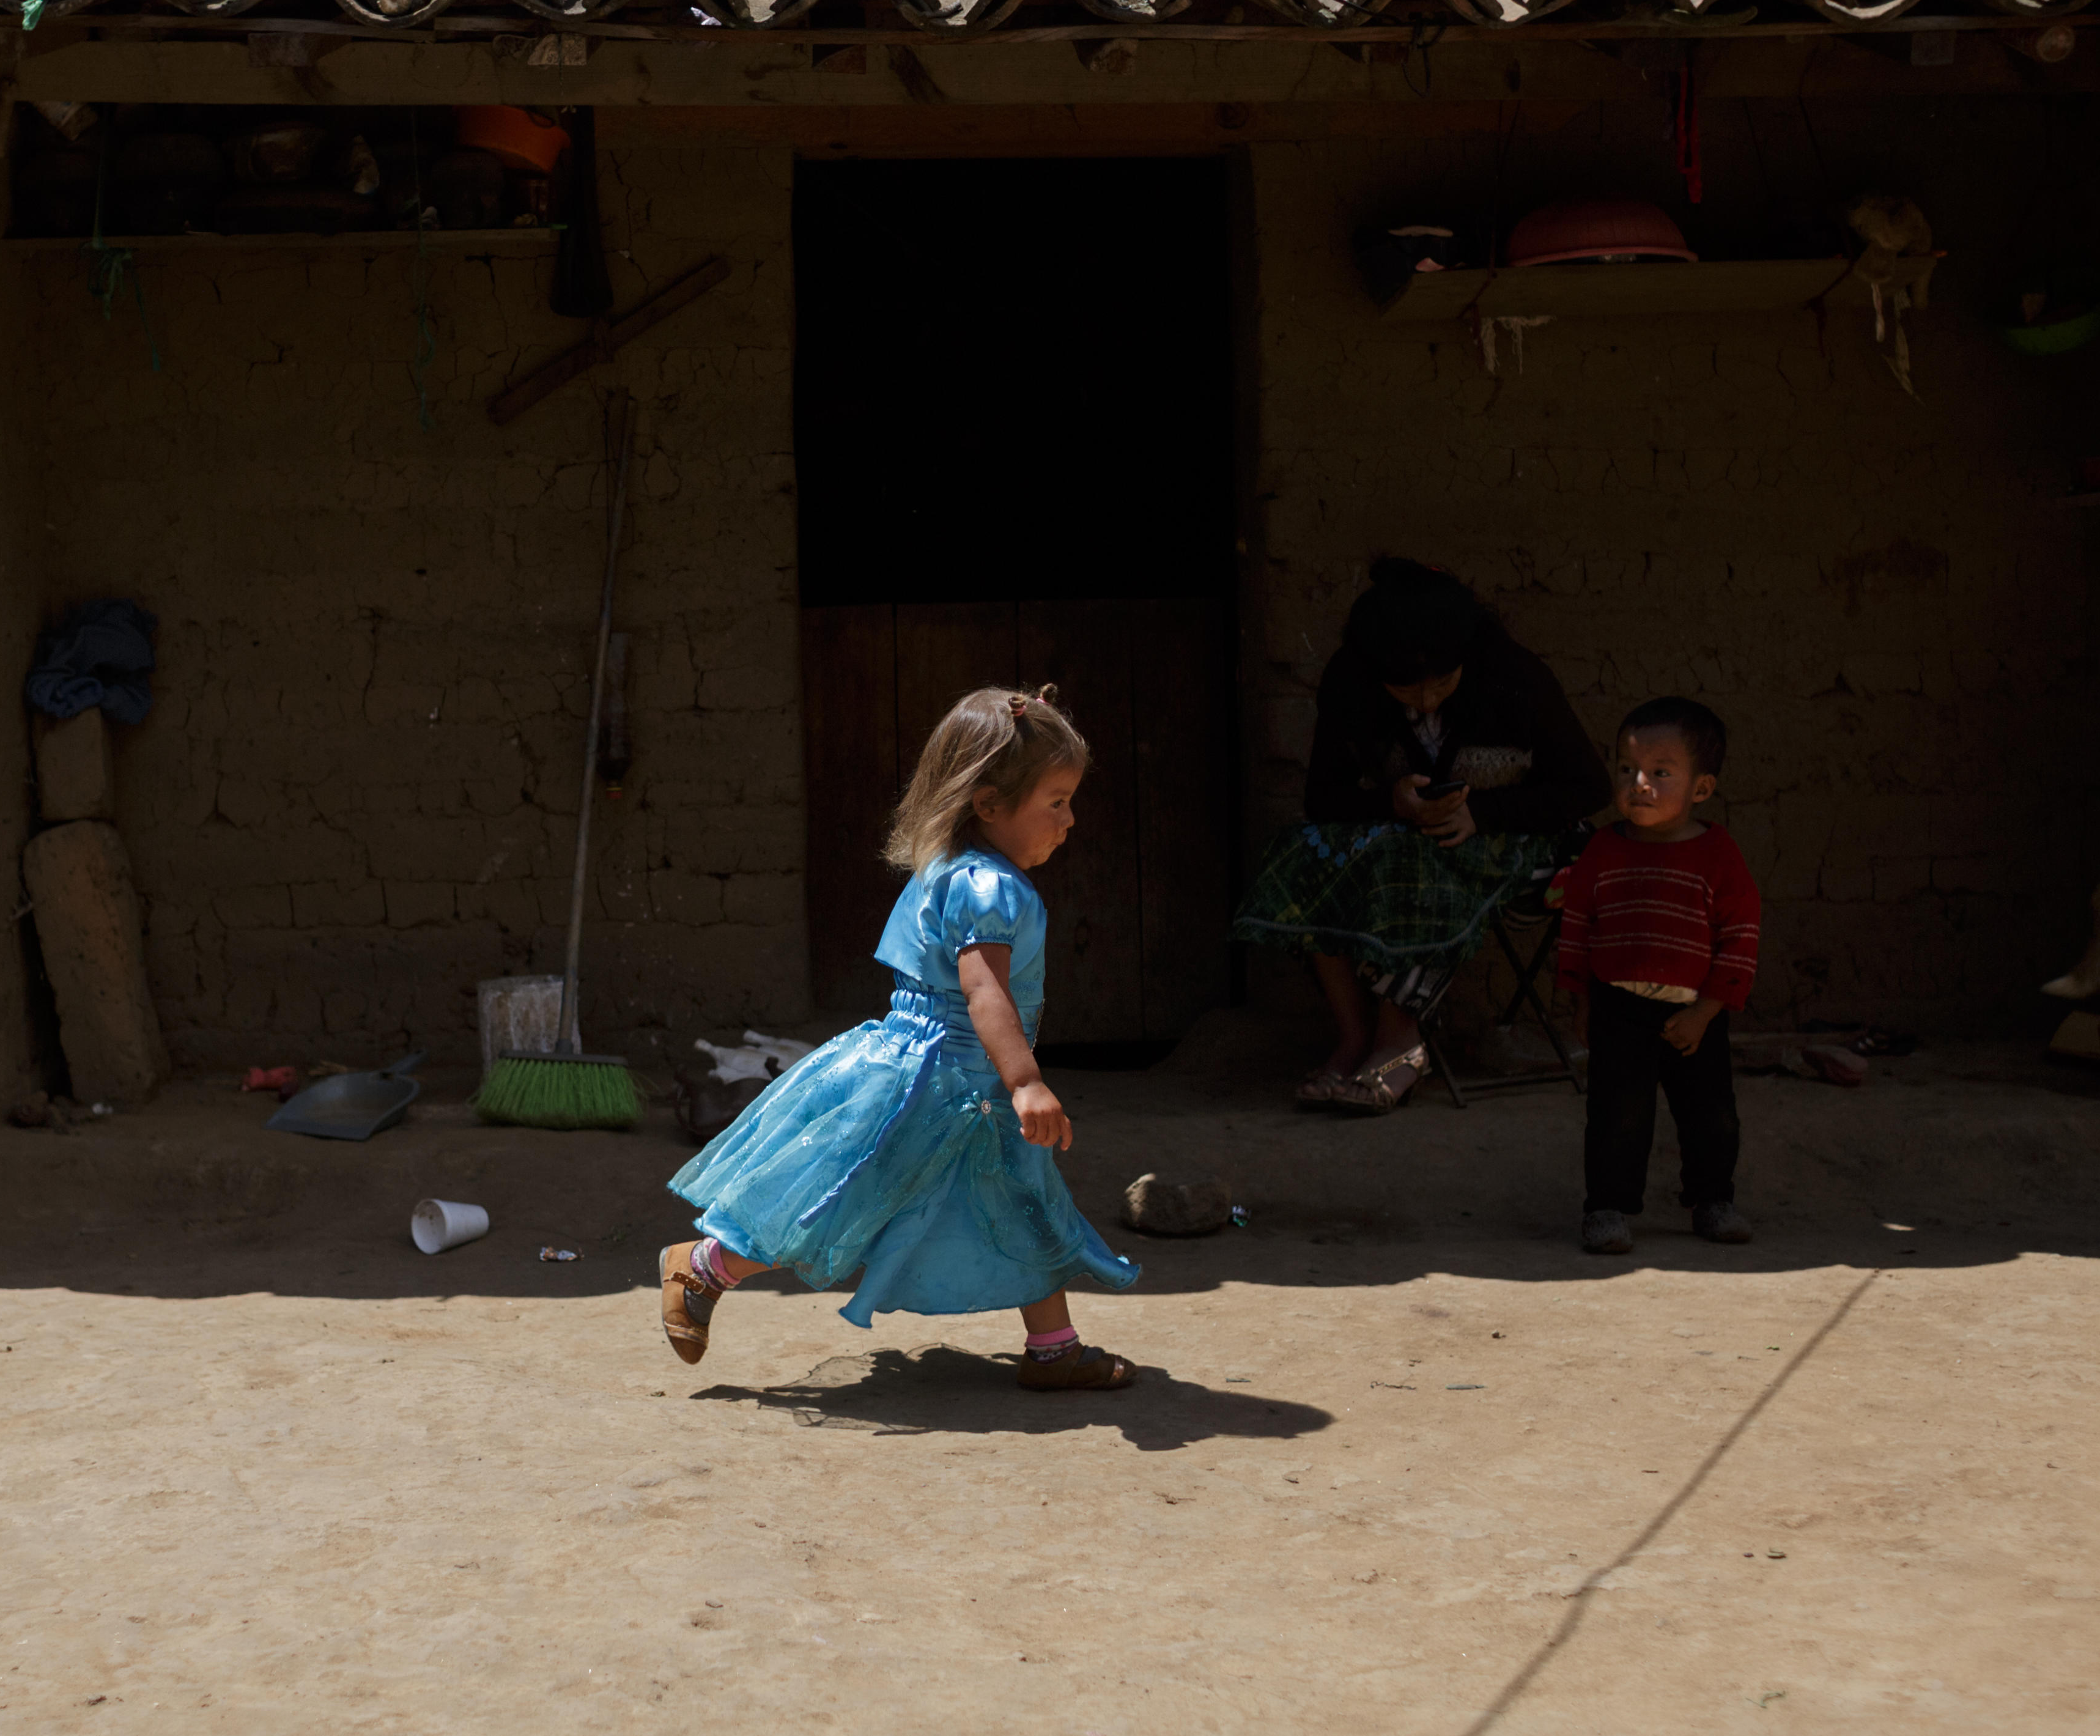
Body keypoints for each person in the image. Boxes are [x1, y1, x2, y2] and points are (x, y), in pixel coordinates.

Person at [658, 685, 1141, 1387]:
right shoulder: (988, 889)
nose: (1070, 820)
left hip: (949, 1077)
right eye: (1056, 802)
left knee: (1021, 1197)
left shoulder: (948, 867)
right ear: (989, 805)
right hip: (943, 1081)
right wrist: (1027, 1081)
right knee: (857, 1197)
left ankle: (1054, 1348)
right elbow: (984, 993)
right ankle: (701, 1266)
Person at [1233, 558, 1610, 1112]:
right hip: (1406, 836)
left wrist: (1483, 811)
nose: (1428, 701)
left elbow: (1588, 786)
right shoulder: (1350, 683)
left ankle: (1400, 1042)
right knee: (1305, 850)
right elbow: (1325, 799)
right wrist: (1391, 801)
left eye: (1441, 684)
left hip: (1531, 843)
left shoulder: (1516, 678)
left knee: (1409, 858)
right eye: (1408, 691)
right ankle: (1355, 1036)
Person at [1562, 697, 1762, 1256]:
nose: (1639, 784)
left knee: (1711, 1116)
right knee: (1615, 1113)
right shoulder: (1603, 850)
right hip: (1617, 1006)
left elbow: (1741, 935)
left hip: (1695, 1010)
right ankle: (1605, 1209)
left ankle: (1712, 1201)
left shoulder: (1719, 855)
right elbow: (1579, 926)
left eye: (1661, 773)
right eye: (1627, 771)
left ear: (1701, 789)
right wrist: (1581, 1002)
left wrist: (1705, 1012)